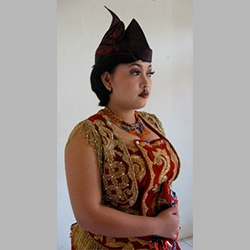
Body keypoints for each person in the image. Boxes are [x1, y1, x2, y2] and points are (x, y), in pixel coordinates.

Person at [65, 6, 181, 250]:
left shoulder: (152, 122)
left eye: (150, 72)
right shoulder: (87, 134)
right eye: (135, 72)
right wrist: (158, 226)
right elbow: (89, 216)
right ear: (107, 79)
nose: (146, 82)